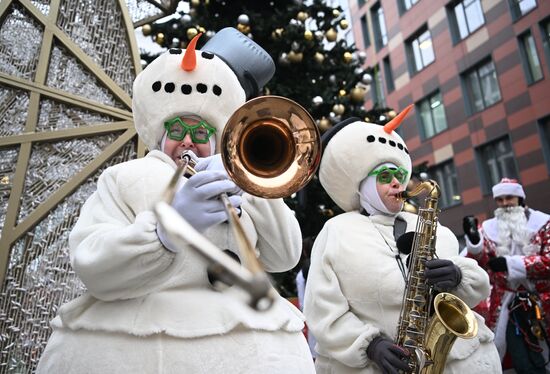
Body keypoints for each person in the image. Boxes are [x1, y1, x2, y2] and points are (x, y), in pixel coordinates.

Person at [36, 28, 315, 373]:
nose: (188, 142)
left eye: (201, 133)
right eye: (177, 131)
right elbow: (93, 265)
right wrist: (166, 231)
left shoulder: (239, 178)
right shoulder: (124, 177)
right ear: (160, 134)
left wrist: (251, 187)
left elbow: (284, 257)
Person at [303, 113, 501, 374]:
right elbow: (322, 310)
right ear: (363, 185)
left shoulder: (430, 225)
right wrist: (370, 345)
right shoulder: (337, 231)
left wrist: (457, 276)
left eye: (399, 174)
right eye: (385, 176)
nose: (398, 182)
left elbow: (478, 286)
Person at [463, 178, 550, 373]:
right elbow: (479, 263)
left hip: (542, 300)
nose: (504, 204)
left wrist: (511, 264)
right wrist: (475, 243)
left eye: (509, 198)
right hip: (507, 304)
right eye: (500, 200)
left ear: (519, 198)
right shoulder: (488, 228)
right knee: (520, 359)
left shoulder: (544, 223)